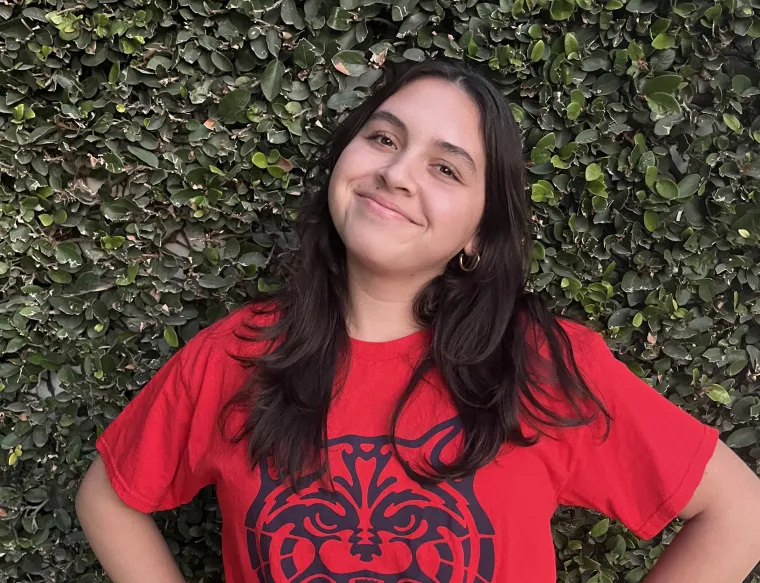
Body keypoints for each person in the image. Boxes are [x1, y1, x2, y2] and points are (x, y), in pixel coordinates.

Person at [76, 58, 760, 583]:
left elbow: (740, 510)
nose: (398, 173)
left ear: (479, 237)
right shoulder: (238, 353)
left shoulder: (541, 366)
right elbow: (109, 496)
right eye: (382, 137)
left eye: (446, 168)